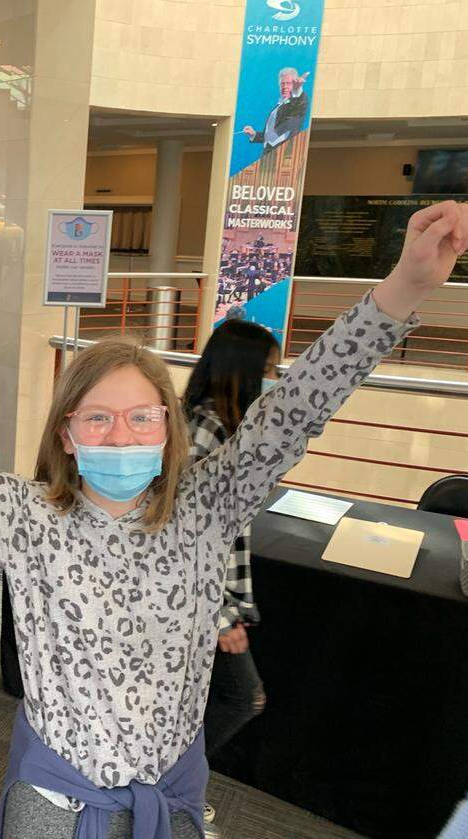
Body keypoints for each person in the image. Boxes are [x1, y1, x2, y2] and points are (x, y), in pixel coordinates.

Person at [0, 201, 468, 839]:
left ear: (168, 428)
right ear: (67, 435)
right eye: (100, 419)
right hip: (56, 802)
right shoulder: (26, 515)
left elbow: (296, 407)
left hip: (170, 794)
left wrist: (405, 287)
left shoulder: (210, 504)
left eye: (143, 416)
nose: (121, 435)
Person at [182, 318, 281, 835]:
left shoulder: (226, 426)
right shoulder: (207, 430)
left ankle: (177, 785)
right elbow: (188, 535)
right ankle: (176, 785)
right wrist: (220, 614)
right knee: (244, 697)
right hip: (203, 604)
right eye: (266, 369)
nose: (272, 377)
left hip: (214, 599)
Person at [242, 67, 309, 154]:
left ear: (295, 84)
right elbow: (271, 135)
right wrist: (254, 134)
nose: (284, 87)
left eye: (288, 83)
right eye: (282, 84)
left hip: (284, 153)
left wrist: (296, 90)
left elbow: (298, 103)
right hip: (268, 153)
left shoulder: (298, 103)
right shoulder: (278, 106)